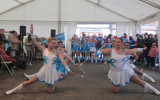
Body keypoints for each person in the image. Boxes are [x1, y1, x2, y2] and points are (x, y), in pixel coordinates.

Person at [6, 29, 74, 95]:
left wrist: (69, 70)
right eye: (53, 43)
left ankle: (51, 80)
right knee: (30, 82)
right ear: (48, 43)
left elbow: (63, 61)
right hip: (44, 70)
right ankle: (13, 90)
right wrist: (32, 33)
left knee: (50, 92)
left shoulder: (57, 51)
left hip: (52, 72)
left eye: (55, 43)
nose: (54, 44)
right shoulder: (43, 49)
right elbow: (35, 42)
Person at [93, 38, 160, 95]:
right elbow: (101, 51)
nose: (117, 43)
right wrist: (97, 53)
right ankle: (120, 81)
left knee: (138, 81)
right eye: (115, 42)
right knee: (114, 91)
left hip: (126, 70)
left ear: (121, 43)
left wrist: (143, 48)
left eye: (118, 42)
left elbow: (135, 50)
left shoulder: (125, 51)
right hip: (115, 73)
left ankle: (154, 90)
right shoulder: (110, 50)